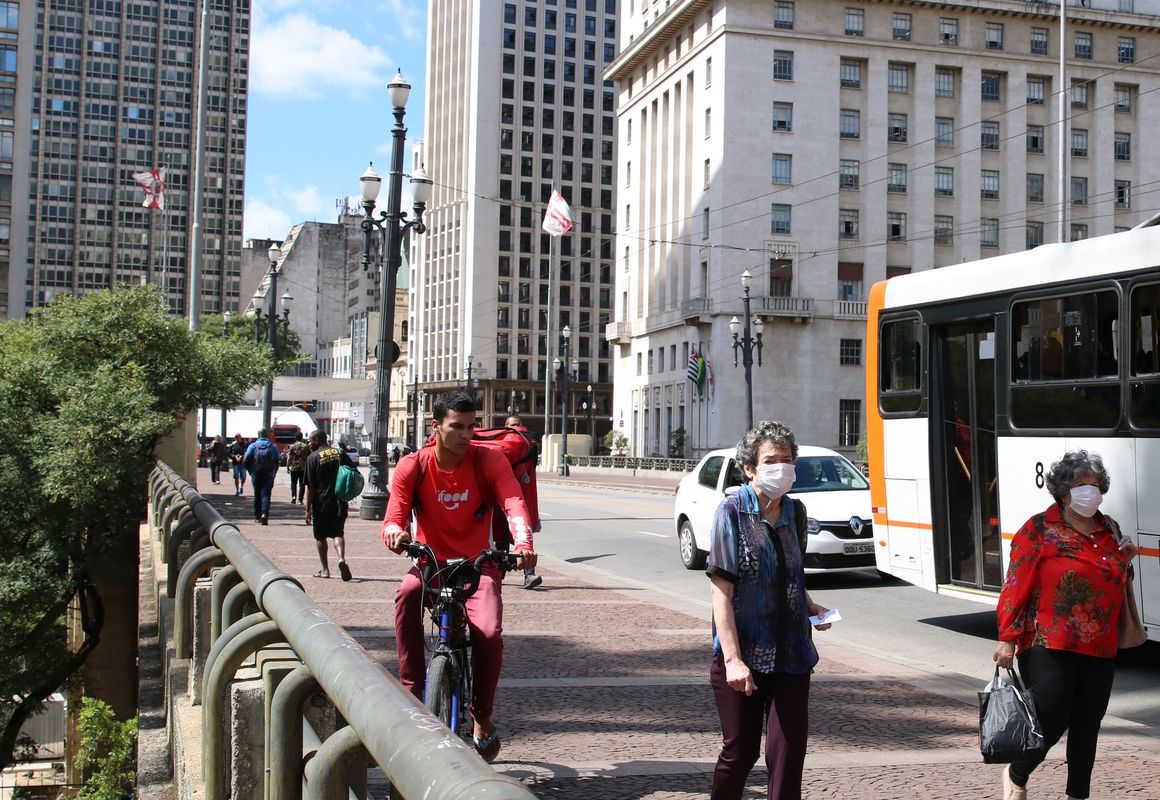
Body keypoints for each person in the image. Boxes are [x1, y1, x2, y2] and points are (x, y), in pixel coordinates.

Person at [381, 390, 537, 763]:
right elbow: (393, 516)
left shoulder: (489, 461)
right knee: (406, 595)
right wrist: (394, 533)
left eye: (471, 427)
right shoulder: (413, 465)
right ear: (435, 428)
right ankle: (413, 693)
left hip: (478, 566)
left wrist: (522, 543)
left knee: (487, 633)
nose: (467, 435)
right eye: (457, 427)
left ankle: (481, 716)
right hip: (430, 563)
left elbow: (513, 502)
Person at [993, 450, 1138, 800]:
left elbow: (1116, 579)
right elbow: (1015, 585)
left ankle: (1077, 795)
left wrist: (1126, 561)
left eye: (1095, 485)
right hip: (1048, 639)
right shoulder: (1039, 529)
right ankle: (1016, 771)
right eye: (1080, 485)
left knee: (1089, 724)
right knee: (1052, 715)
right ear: (1062, 490)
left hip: (1100, 643)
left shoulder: (1109, 528)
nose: (1090, 491)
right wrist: (1007, 639)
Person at [706, 420, 832, 800]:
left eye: (788, 460)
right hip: (744, 655)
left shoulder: (795, 512)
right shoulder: (731, 512)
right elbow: (721, 594)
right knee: (740, 753)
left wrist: (809, 606)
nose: (782, 468)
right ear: (750, 468)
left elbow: (790, 570)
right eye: (771, 460)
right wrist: (732, 659)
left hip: (792, 654)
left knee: (788, 756)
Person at [495, 414, 543, 589]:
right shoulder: (499, 445)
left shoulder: (527, 444)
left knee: (523, 535)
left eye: (518, 425)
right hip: (499, 499)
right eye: (512, 425)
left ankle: (529, 575)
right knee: (500, 538)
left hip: (518, 499)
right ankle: (497, 576)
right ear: (506, 427)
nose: (516, 428)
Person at [303, 429, 356, 580]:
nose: (309, 443)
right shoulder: (340, 454)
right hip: (340, 500)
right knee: (338, 533)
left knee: (320, 536)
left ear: (318, 440)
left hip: (321, 502)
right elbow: (352, 473)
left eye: (311, 440)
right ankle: (341, 558)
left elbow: (310, 487)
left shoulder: (312, 458)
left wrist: (308, 509)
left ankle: (325, 570)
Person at [243, 428, 281, 525]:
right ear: (267, 435)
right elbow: (277, 461)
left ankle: (257, 516)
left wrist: (250, 471)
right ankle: (265, 514)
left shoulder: (253, 446)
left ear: (258, 435)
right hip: (269, 474)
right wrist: (274, 473)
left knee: (257, 494)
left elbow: (246, 460)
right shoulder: (273, 446)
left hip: (256, 473)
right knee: (266, 494)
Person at [286, 432, 311, 504]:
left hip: (294, 467)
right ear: (302, 437)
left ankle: (293, 497)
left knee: (293, 482)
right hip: (303, 467)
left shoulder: (292, 446)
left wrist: (288, 467)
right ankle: (300, 500)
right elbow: (309, 457)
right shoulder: (306, 446)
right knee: (302, 483)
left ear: (295, 438)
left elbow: (289, 458)